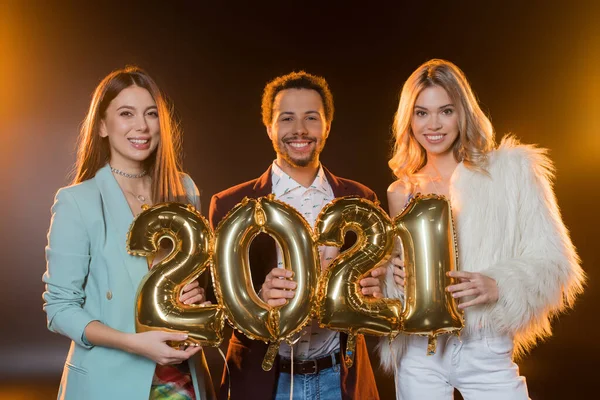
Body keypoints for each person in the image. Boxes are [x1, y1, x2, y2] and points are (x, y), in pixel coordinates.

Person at [379, 59, 586, 400]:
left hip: (484, 345)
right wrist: (393, 275)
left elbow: (556, 262)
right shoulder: (401, 191)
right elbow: (396, 286)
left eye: (445, 111)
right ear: (408, 119)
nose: (433, 124)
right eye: (421, 113)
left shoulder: (511, 173)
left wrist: (500, 284)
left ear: (463, 112)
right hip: (419, 351)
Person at [43, 66, 215, 400]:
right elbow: (60, 309)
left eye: (151, 114)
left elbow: (193, 280)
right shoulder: (77, 201)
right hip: (108, 381)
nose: (142, 126)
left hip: (181, 379)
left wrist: (197, 297)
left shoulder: (183, 188)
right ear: (103, 126)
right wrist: (133, 343)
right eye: (126, 113)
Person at [208, 71, 382, 400]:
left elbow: (378, 300)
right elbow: (214, 305)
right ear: (269, 126)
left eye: (311, 118)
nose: (299, 129)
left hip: (342, 380)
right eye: (287, 118)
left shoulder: (362, 200)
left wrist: (374, 293)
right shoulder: (229, 204)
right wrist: (254, 301)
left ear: (327, 125)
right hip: (261, 384)